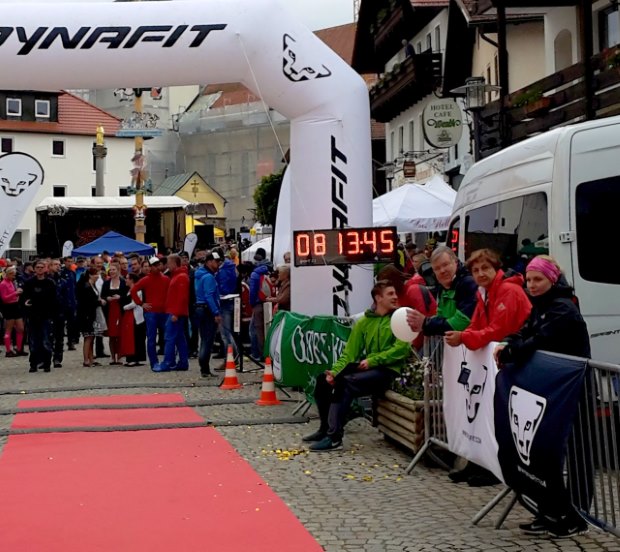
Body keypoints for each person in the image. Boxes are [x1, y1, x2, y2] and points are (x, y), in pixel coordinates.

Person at [494, 255, 592, 538]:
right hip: (553, 390)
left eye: (538, 280)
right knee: (544, 452)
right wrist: (510, 342)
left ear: (552, 279)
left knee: (576, 452)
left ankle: (575, 515)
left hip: (575, 389)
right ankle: (551, 510)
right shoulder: (541, 306)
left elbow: (539, 340)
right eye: (529, 280)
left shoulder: (563, 308)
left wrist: (513, 350)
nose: (532, 285)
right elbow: (524, 331)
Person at [303, 281, 411, 452]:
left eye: (395, 293)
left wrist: (373, 360)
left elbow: (401, 350)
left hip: (389, 371)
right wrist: (334, 372)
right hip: (369, 367)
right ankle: (325, 429)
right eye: (390, 294)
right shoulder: (364, 322)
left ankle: (334, 437)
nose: (396, 297)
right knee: (323, 380)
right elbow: (349, 353)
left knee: (346, 383)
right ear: (378, 298)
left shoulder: (399, 318)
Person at [444, 249, 531, 350]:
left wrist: (463, 337)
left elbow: (499, 331)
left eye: (485, 268)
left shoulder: (508, 290)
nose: (481, 274)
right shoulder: (483, 292)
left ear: (496, 268)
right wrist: (462, 335)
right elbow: (475, 325)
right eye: (475, 270)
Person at [407, 246, 477, 337]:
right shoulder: (442, 286)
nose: (442, 271)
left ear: (455, 262)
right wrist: (423, 325)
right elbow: (441, 315)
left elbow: (461, 323)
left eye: (445, 265)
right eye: (437, 268)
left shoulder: (468, 283)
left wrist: (426, 323)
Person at [130, 256, 170, 370]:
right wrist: (141, 303)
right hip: (152, 312)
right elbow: (133, 290)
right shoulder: (147, 279)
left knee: (166, 337)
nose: (158, 267)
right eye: (156, 265)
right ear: (151, 267)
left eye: (159, 265)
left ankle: (166, 361)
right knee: (152, 338)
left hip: (162, 312)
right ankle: (154, 363)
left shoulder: (165, 279)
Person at [154, 254, 190, 372]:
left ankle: (167, 362)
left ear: (175, 263)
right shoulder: (178, 276)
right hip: (176, 311)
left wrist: (175, 313)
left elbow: (182, 297)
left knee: (169, 337)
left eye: (169, 263)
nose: (167, 266)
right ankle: (183, 362)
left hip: (175, 312)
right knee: (179, 338)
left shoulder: (181, 277)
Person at [21, 260, 58, 373]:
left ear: (46, 268)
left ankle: (47, 363)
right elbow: (23, 298)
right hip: (32, 316)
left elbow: (54, 300)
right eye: (37, 267)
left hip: (46, 316)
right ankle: (33, 364)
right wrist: (25, 304)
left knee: (46, 341)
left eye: (42, 267)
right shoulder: (29, 283)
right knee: (33, 342)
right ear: (34, 269)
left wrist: (53, 315)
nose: (40, 269)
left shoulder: (50, 283)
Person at [194, 252, 222, 377]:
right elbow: (209, 296)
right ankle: (204, 369)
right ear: (209, 262)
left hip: (199, 308)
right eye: (216, 261)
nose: (218, 264)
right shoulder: (209, 277)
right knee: (207, 340)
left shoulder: (199, 275)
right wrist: (216, 312)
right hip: (207, 309)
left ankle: (204, 368)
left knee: (204, 338)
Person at [77, 267, 106, 367]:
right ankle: (86, 360)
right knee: (88, 337)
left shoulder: (91, 285)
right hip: (86, 315)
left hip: (91, 314)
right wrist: (99, 302)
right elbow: (87, 302)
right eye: (96, 274)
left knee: (91, 336)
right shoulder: (86, 286)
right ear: (90, 275)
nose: (98, 276)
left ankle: (91, 359)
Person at [249, 247, 273, 361]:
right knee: (269, 328)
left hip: (259, 303)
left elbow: (253, 291)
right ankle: (270, 352)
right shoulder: (271, 268)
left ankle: (259, 354)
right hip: (271, 302)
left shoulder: (255, 273)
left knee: (256, 329)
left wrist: (252, 303)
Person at [100, 263, 127, 365]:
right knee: (112, 335)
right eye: (110, 270)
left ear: (118, 270)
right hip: (110, 311)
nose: (111, 272)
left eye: (113, 270)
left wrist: (120, 298)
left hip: (120, 310)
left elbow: (127, 296)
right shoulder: (106, 283)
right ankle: (112, 356)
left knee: (120, 334)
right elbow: (103, 296)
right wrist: (107, 298)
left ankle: (120, 355)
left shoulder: (123, 282)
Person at [215, 250, 239, 363]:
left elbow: (224, 288)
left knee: (225, 333)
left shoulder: (223, 270)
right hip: (230, 300)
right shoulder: (231, 267)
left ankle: (231, 358)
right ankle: (233, 356)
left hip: (224, 301)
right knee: (228, 331)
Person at [120, 273, 146, 367]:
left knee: (136, 338)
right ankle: (131, 357)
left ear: (132, 280)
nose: (125, 280)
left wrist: (124, 307)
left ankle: (136, 358)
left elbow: (134, 303)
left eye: (127, 278)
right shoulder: (129, 290)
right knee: (131, 338)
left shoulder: (138, 290)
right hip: (130, 317)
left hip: (137, 317)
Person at [0, 266, 27, 357]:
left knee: (20, 328)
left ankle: (19, 348)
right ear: (8, 274)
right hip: (8, 307)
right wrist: (15, 293)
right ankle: (8, 350)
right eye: (12, 274)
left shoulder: (12, 282)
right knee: (9, 329)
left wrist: (17, 294)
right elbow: (4, 298)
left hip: (15, 306)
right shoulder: (3, 284)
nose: (14, 276)